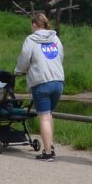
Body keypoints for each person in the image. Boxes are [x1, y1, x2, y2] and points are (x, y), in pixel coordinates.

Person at [15, 11, 65, 161]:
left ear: (34, 24)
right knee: (49, 114)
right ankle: (51, 145)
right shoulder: (55, 37)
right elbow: (61, 55)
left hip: (41, 82)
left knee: (43, 117)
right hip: (58, 81)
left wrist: (18, 71)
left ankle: (48, 152)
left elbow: (24, 59)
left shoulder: (31, 40)